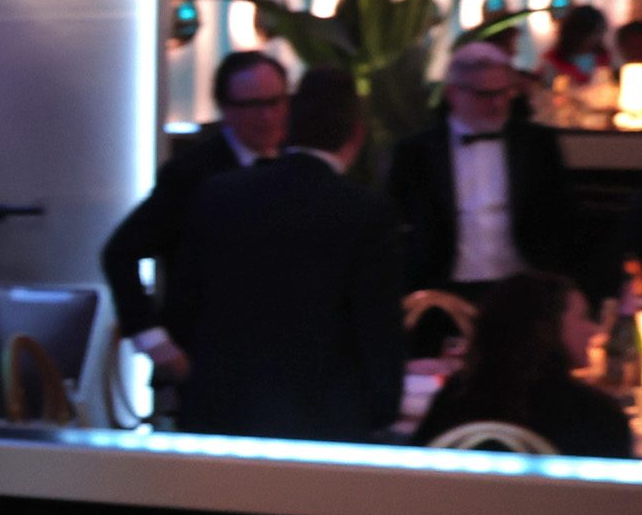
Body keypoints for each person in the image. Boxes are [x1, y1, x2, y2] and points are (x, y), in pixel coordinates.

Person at [166, 65, 404, 442]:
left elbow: (184, 304)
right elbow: (376, 327)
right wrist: (382, 411)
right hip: (323, 420)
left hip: (220, 413)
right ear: (356, 135)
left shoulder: (218, 193)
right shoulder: (365, 212)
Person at [100, 50, 287, 395]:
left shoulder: (297, 165)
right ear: (226, 110)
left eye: (276, 102)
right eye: (253, 106)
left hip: (279, 367)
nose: (268, 116)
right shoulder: (192, 174)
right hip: (206, 361)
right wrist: (153, 339)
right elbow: (121, 251)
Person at [385, 41, 583, 298]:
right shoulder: (416, 151)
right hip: (443, 286)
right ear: (453, 93)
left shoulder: (538, 144)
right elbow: (396, 222)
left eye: (504, 93)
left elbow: (563, 215)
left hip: (524, 286)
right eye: (485, 95)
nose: (497, 104)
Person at [413, 269, 633, 458]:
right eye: (583, 317)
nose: (593, 330)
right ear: (547, 328)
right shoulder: (596, 415)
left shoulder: (454, 399)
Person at [546, 3, 611, 89]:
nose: (597, 37)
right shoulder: (553, 62)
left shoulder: (605, 58)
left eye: (600, 32)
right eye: (593, 33)